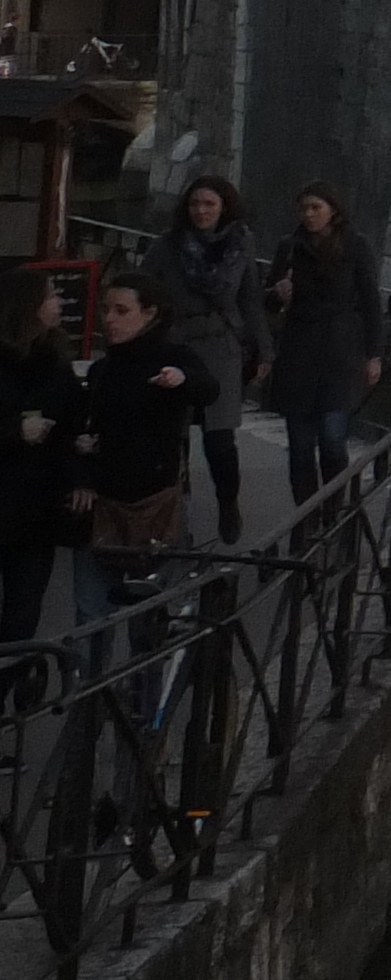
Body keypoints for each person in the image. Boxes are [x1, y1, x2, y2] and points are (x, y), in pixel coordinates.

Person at [71, 272, 199, 625]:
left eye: (121, 310)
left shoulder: (171, 356)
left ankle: (147, 679)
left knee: (151, 613)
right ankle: (91, 679)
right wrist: (83, 468)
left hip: (154, 501)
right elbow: (84, 427)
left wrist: (181, 378)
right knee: (92, 610)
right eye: (106, 310)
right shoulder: (102, 369)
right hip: (103, 502)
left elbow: (208, 389)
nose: (109, 319)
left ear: (149, 314)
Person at [155, 175, 270, 545]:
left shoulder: (240, 244)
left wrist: (263, 348)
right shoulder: (168, 246)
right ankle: (179, 516)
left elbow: (250, 298)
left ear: (224, 207)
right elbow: (143, 289)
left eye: (209, 204)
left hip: (221, 346)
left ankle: (227, 502)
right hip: (178, 345)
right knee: (174, 438)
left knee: (219, 440)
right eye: (195, 204)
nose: (201, 211)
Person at [265, 186, 390, 505]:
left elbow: (370, 303)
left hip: (339, 356)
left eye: (315, 207)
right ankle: (304, 515)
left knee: (333, 440)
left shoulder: (355, 246)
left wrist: (373, 354)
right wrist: (277, 293)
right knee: (301, 447)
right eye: (303, 208)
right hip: (298, 355)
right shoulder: (289, 248)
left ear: (332, 210)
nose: (308, 215)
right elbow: (266, 302)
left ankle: (335, 512)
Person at [1, 266, 75, 645]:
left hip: (35, 512)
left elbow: (71, 423)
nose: (58, 302)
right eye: (50, 296)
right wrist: (15, 431)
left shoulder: (56, 358)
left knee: (22, 616)